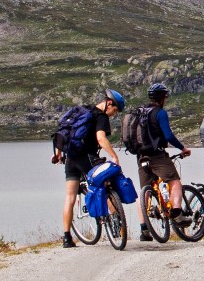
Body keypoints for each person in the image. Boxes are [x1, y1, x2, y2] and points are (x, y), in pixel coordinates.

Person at [55, 89, 125, 248]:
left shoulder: (82, 111)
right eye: (115, 110)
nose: (114, 114)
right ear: (109, 103)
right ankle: (116, 224)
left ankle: (67, 238)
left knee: (70, 197)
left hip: (70, 158)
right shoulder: (100, 116)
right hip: (86, 158)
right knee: (105, 184)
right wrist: (114, 156)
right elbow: (101, 138)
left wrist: (58, 153)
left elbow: (63, 131)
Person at [135, 83, 193, 241]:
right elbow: (168, 135)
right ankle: (177, 214)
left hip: (141, 156)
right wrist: (183, 148)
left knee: (145, 191)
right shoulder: (160, 113)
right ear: (162, 98)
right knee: (174, 182)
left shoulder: (140, 112)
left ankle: (144, 230)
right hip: (157, 155)